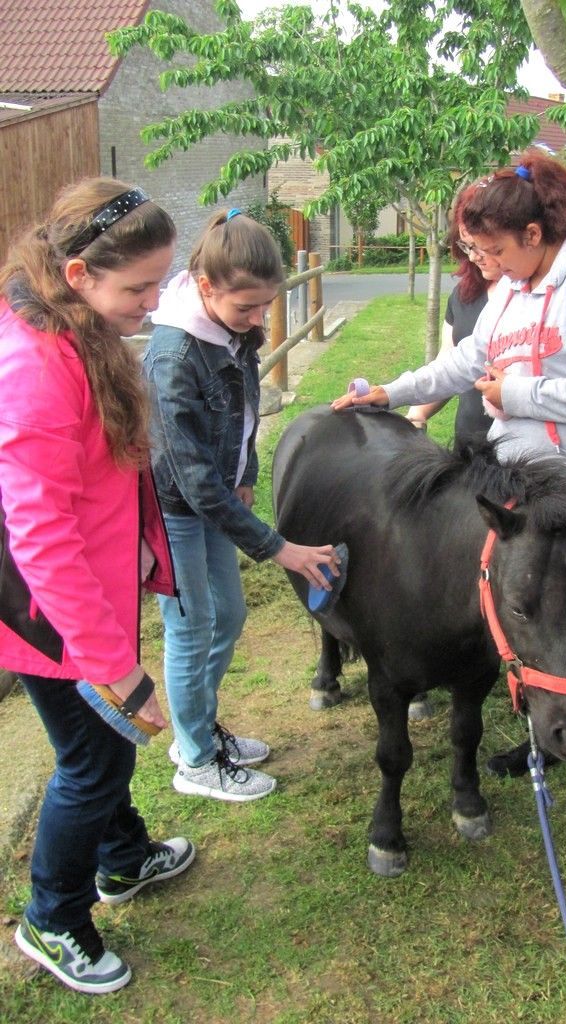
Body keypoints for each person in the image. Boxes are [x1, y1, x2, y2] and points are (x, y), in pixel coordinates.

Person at [331, 150, 566, 825]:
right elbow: (465, 361)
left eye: (497, 250)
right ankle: (546, 730)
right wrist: (390, 391)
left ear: (534, 234)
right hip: (524, 479)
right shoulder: (511, 289)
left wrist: (520, 394)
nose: (489, 265)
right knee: (519, 608)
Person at [0, 178, 195, 994]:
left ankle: (123, 856)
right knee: (94, 763)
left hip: (93, 597)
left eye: (161, 282)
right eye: (139, 288)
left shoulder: (75, 326)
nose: (153, 303)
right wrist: (115, 667)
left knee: (104, 752)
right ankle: (53, 917)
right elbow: (40, 537)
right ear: (78, 275)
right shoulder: (37, 366)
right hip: (53, 619)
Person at [145, 209, 340, 803]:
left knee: (227, 616)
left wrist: (247, 474)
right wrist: (277, 547)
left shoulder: (232, 328)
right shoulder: (173, 358)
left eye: (265, 307)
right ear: (206, 287)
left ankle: (197, 727)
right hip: (176, 508)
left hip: (217, 499)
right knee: (190, 628)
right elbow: (194, 482)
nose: (258, 321)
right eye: (246, 309)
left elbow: (246, 408)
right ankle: (195, 760)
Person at [405, 182, 502, 445]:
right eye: (468, 246)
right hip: (469, 446)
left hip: (524, 454)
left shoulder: (535, 297)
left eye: (481, 246)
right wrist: (417, 414)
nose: (474, 257)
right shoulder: (463, 295)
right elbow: (449, 364)